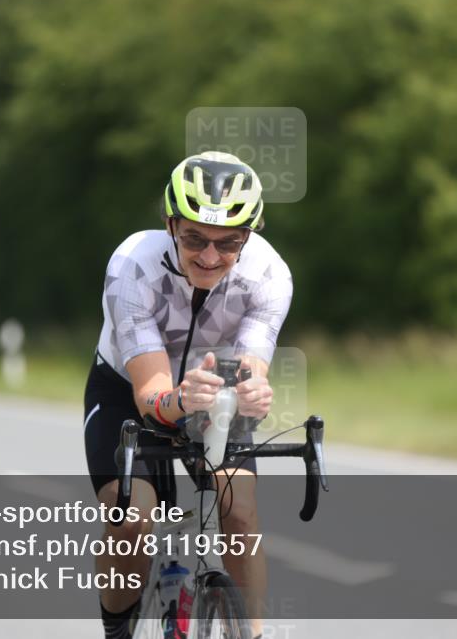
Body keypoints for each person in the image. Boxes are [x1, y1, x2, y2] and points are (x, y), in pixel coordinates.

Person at [84, 151, 292, 638]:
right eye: (194, 237)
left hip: (214, 390)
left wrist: (252, 395)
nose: (210, 255)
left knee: (239, 509)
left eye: (230, 243)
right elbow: (151, 395)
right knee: (130, 516)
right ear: (170, 223)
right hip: (126, 388)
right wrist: (181, 399)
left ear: (250, 236)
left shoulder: (269, 276)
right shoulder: (132, 266)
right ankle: (117, 630)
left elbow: (249, 368)